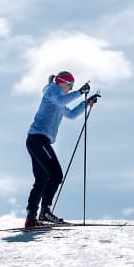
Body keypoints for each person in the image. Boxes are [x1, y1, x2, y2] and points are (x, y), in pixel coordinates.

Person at [24, 71, 100, 228]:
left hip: (37, 140)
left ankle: (31, 218)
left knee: (42, 179)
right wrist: (80, 92)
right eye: (70, 85)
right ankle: (45, 212)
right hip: (38, 139)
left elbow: (71, 114)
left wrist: (86, 103)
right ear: (62, 82)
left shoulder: (57, 98)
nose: (71, 88)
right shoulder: (52, 90)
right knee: (56, 175)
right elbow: (61, 101)